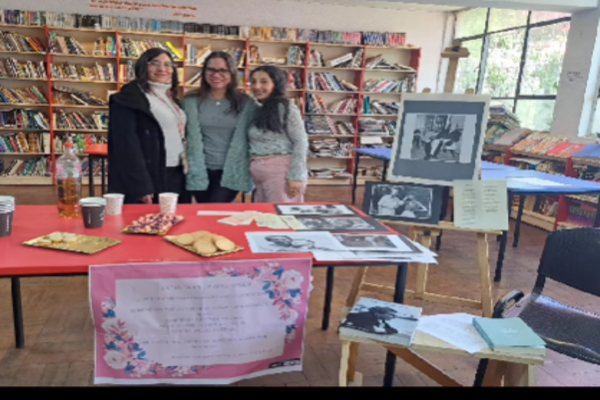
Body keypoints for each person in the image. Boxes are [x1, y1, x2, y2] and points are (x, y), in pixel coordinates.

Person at [107, 48, 189, 204]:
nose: (162, 69)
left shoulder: (171, 97)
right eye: (155, 63)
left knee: (176, 216)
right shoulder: (128, 98)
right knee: (149, 218)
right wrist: (141, 185)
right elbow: (126, 145)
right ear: (143, 66)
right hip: (152, 173)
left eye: (168, 64)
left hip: (177, 170)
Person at [182, 51, 258, 203]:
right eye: (211, 70)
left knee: (215, 207)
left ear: (232, 73)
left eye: (223, 70)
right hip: (197, 168)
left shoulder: (246, 103)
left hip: (230, 170)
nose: (216, 75)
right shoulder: (189, 101)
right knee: (203, 209)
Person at [248, 65, 309, 203]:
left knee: (281, 213)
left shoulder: (286, 108)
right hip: (260, 175)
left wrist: (296, 176)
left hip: (281, 173)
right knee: (263, 214)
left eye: (264, 82)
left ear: (276, 84)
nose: (257, 86)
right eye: (253, 82)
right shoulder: (259, 108)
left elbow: (300, 141)